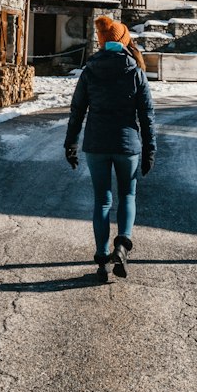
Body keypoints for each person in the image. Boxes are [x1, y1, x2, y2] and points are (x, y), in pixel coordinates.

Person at [65, 16, 156, 282]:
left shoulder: (90, 69)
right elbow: (147, 116)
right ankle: (122, 245)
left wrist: (71, 142)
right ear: (124, 40)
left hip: (96, 144)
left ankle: (102, 258)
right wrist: (150, 148)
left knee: (102, 200)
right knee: (128, 195)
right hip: (128, 146)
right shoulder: (135, 71)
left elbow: (77, 111)